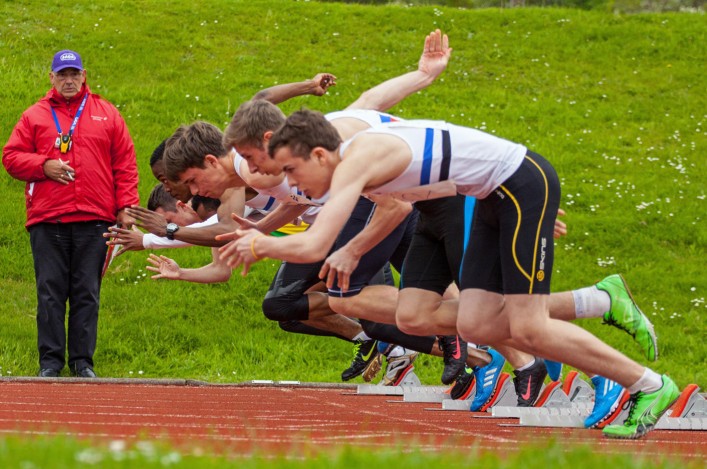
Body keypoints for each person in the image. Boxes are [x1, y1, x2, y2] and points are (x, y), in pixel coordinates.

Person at [220, 109, 676, 439]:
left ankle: (647, 385)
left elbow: (316, 246)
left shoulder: (356, 161)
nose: (295, 187)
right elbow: (439, 176)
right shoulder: (354, 155)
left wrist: (257, 243)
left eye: (293, 172)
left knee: (527, 326)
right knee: (474, 323)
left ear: (319, 154)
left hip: (515, 186)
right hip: (499, 195)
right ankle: (598, 302)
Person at [2, 49, 139, 378]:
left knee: (87, 293)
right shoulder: (34, 116)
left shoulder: (107, 114)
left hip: (95, 219)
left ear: (83, 75)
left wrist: (126, 208)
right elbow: (11, 157)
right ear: (51, 77)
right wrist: (43, 165)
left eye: (73, 74)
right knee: (50, 292)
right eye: (62, 74)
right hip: (48, 220)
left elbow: (125, 164)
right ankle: (50, 363)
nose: (68, 80)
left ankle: (82, 363)